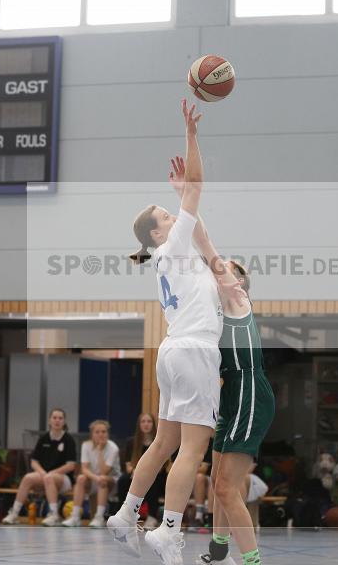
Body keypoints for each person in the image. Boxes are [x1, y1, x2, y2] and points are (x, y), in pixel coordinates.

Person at [108, 100, 243, 565]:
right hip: (194, 352)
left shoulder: (170, 255)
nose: (174, 214)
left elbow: (198, 219)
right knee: (192, 447)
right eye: (167, 214)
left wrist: (183, 193)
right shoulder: (172, 247)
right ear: (159, 232)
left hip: (171, 351)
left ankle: (126, 513)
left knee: (163, 442)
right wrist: (191, 134)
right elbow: (199, 188)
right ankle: (169, 530)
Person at [166, 156, 276, 565]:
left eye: (227, 267)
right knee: (216, 481)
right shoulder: (213, 308)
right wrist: (185, 197)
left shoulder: (235, 295)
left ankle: (251, 561)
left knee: (229, 487)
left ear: (238, 280)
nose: (219, 268)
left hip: (250, 391)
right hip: (231, 394)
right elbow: (204, 245)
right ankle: (218, 551)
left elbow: (205, 243)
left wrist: (187, 198)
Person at [2, 408, 77, 525]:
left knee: (49, 478)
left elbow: (71, 465)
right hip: (45, 476)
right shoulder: (43, 439)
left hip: (64, 479)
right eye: (54, 418)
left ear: (64, 421)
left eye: (60, 418)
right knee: (28, 478)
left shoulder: (68, 440)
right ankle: (14, 513)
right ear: (49, 420)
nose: (57, 421)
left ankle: (54, 515)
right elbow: (34, 462)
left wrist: (52, 473)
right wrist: (42, 472)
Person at [63, 420, 121, 527]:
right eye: (97, 432)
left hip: (112, 481)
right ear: (92, 434)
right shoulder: (86, 445)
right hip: (94, 479)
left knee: (102, 479)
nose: (101, 434)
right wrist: (96, 478)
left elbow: (104, 471)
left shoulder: (113, 448)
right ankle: (75, 517)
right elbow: (84, 469)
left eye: (104, 432)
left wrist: (99, 450)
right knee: (81, 478)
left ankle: (99, 517)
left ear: (107, 433)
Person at [117, 413, 164, 529]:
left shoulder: (159, 442)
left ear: (154, 424)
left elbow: (162, 465)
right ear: (139, 424)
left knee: (151, 480)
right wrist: (136, 473)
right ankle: (125, 515)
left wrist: (145, 474)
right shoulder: (131, 442)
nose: (146, 424)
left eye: (149, 421)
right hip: (135, 474)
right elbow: (128, 465)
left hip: (156, 474)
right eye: (143, 421)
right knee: (123, 480)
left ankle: (152, 516)